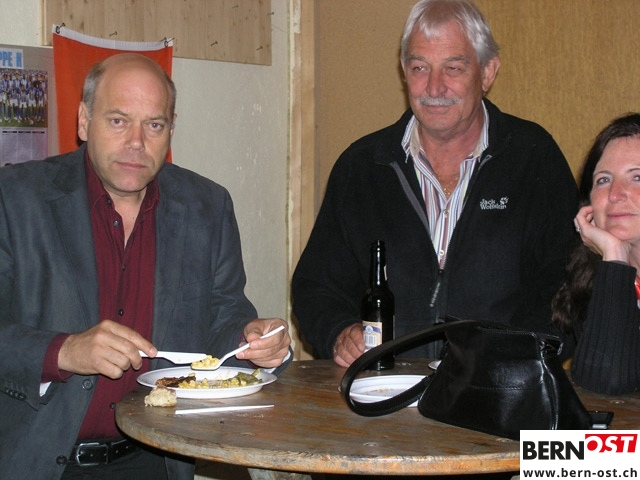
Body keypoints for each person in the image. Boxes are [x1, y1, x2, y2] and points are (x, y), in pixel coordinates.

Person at [0, 53, 292, 480]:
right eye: (118, 121)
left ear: (171, 129)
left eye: (154, 125)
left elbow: (223, 318)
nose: (136, 142)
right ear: (84, 121)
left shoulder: (207, 206)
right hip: (38, 461)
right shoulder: (15, 198)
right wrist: (64, 351)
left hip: (158, 457)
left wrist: (253, 340)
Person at [292, 0, 578, 367]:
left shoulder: (533, 158)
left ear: (487, 72)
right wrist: (338, 332)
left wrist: (518, 357)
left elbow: (569, 283)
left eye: (453, 68)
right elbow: (316, 286)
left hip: (500, 387)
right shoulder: (361, 167)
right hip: (385, 387)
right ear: (403, 71)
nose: (434, 87)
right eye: (419, 68)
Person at [552, 113, 640, 395]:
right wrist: (615, 257)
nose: (615, 194)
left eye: (637, 177)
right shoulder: (590, 278)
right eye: (603, 180)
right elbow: (605, 382)